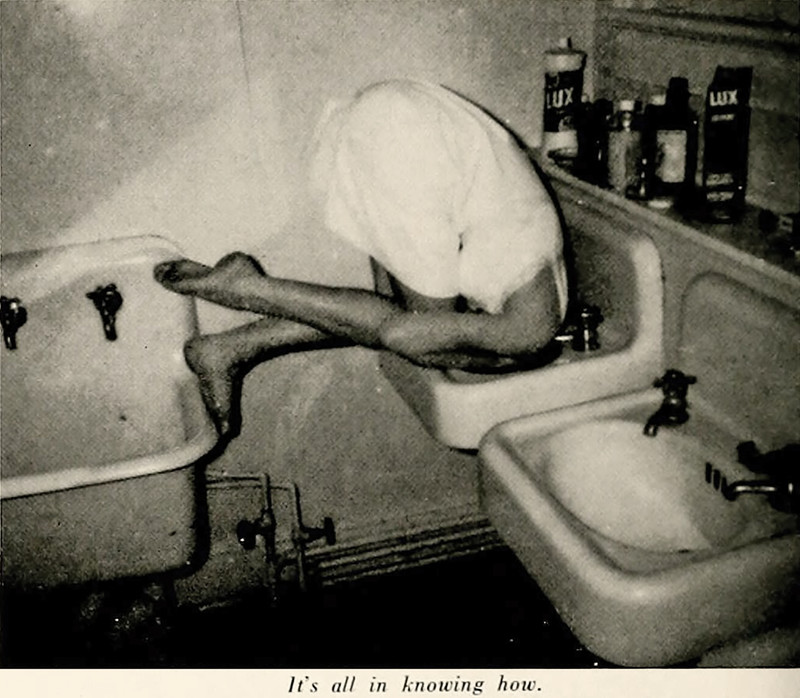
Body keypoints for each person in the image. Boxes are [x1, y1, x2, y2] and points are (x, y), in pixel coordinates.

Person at [154, 80, 570, 439]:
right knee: (413, 329)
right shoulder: (532, 332)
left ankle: (230, 348)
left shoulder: (538, 264)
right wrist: (490, 362)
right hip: (411, 147)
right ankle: (246, 287)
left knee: (382, 312)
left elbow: (386, 314)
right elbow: (405, 336)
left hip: (394, 116)